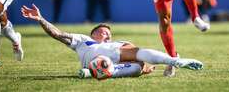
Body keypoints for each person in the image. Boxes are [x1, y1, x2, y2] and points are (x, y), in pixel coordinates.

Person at [21, 4, 204, 79]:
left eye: (109, 34)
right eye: (103, 32)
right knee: (135, 51)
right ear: (93, 34)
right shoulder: (83, 40)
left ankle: (95, 71)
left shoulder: (111, 43)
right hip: (105, 55)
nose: (107, 35)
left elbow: (138, 62)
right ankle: (175, 61)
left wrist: (145, 68)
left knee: (139, 65)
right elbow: (58, 34)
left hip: (109, 62)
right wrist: (41, 19)